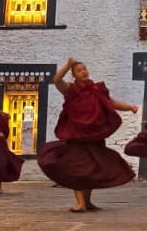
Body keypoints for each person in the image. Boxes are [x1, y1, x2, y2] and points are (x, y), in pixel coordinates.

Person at [38, 58, 139, 211]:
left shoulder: (97, 89)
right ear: (74, 75)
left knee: (92, 170)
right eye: (79, 70)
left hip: (94, 137)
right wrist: (68, 65)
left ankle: (87, 202)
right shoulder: (71, 90)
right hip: (76, 138)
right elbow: (57, 79)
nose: (83, 71)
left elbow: (112, 103)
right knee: (76, 169)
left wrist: (129, 106)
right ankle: (80, 203)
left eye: (84, 68)